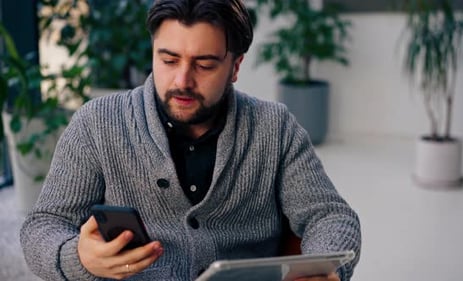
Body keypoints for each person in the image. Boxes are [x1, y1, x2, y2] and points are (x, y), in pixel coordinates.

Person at [20, 0, 361, 280]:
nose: (182, 80)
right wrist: (79, 258)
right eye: (168, 60)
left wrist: (326, 270)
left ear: (235, 66)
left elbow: (330, 216)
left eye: (205, 65)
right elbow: (43, 226)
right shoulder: (97, 123)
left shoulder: (275, 128)